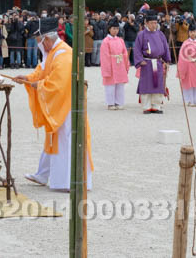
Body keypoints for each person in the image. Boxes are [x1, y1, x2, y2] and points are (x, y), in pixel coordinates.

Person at [10, 15, 92, 192]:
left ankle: (66, 180)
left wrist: (35, 85)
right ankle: (43, 174)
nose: (40, 45)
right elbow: (42, 72)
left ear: (47, 39)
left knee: (64, 138)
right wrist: (28, 78)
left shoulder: (63, 54)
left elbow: (57, 83)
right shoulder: (52, 53)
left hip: (68, 103)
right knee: (53, 138)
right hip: (60, 101)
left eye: (40, 41)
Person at [133, 10, 172, 114]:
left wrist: (167, 60)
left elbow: (165, 47)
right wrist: (140, 60)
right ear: (146, 23)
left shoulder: (160, 34)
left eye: (155, 23)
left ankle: (156, 105)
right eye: (152, 23)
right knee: (146, 84)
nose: (154, 25)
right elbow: (136, 49)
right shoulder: (141, 35)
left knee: (158, 84)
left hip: (158, 62)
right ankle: (146, 106)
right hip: (147, 62)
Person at [99, 18, 129, 110]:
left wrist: (126, 65)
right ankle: (110, 103)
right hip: (111, 64)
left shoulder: (120, 40)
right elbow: (104, 56)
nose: (115, 31)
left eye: (117, 29)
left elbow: (125, 53)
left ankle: (119, 102)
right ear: (109, 29)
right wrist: (107, 69)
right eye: (113, 29)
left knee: (120, 84)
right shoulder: (106, 41)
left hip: (120, 63)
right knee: (110, 85)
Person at [176, 26, 196, 107]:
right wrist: (182, 68)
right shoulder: (185, 43)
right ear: (188, 33)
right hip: (189, 65)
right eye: (191, 32)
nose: (193, 33)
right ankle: (189, 101)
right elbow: (181, 56)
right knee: (188, 83)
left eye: (194, 32)